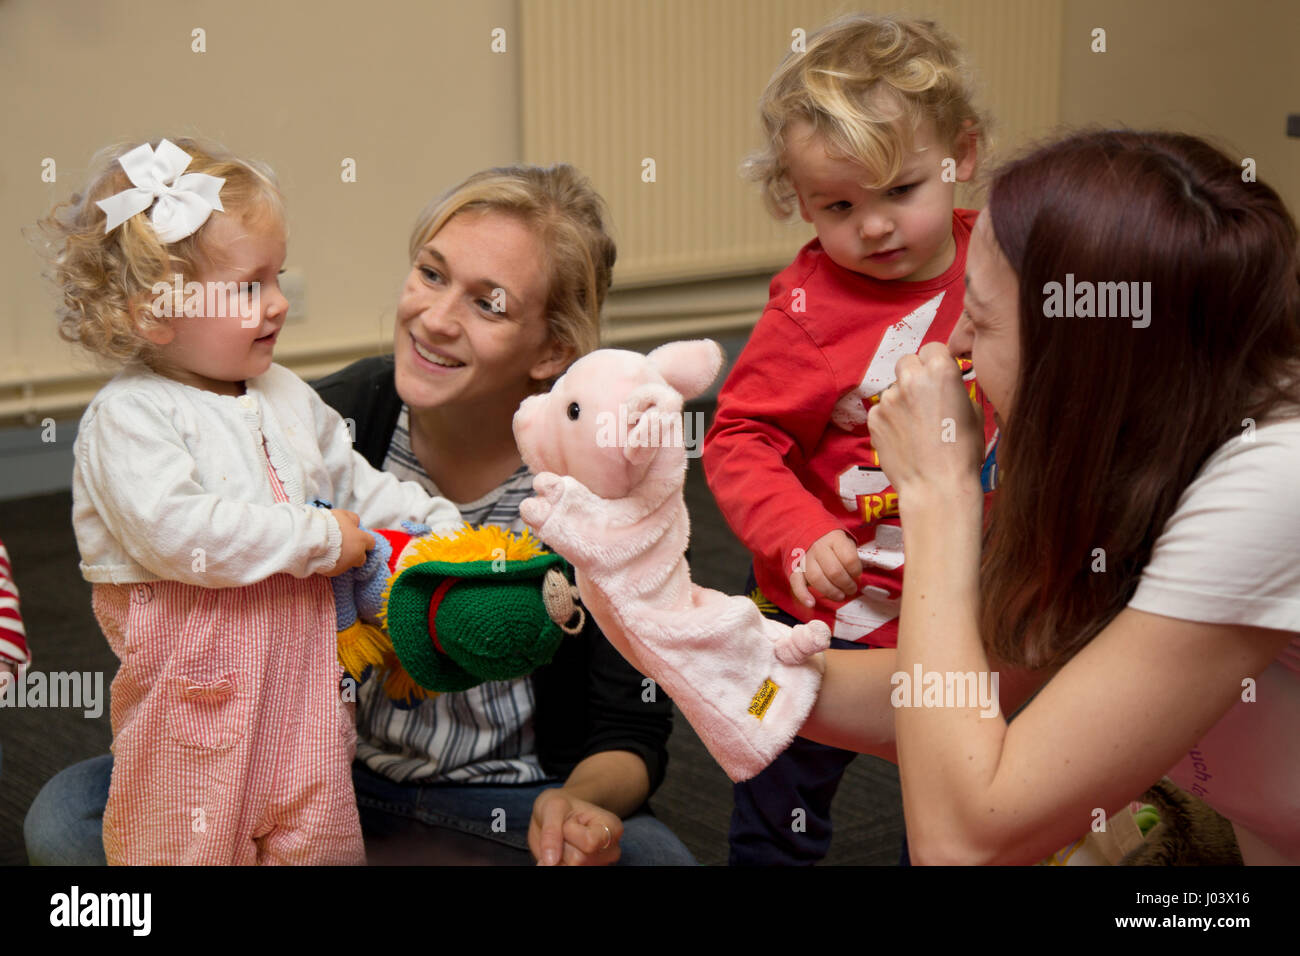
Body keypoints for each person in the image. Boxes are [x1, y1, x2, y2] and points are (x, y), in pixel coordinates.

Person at [25, 161, 696, 867]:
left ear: (554, 349)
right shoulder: (331, 410)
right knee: (68, 817)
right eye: (432, 274)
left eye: (488, 304)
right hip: (313, 763)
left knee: (659, 863)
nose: (436, 320)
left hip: (505, 802)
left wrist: (578, 805)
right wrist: (321, 539)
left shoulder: (605, 469)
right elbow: (188, 532)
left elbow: (631, 724)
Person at [794, 128, 1300, 865]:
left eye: (986, 319)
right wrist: (706, 652)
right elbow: (983, 684)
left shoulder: (1271, 481)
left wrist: (939, 496)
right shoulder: (1147, 444)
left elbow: (964, 843)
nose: (959, 342)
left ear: (1083, 359)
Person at [35, 136, 464, 865]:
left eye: (278, 276)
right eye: (247, 287)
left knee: (320, 849)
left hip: (308, 714)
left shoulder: (285, 395)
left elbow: (356, 485)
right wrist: (321, 539)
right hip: (195, 721)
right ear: (154, 311)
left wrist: (436, 528)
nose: (277, 303)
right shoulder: (130, 418)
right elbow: (177, 533)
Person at [702, 13, 994, 865]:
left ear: (961, 156)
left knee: (952, 798)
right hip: (819, 613)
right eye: (839, 205)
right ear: (800, 201)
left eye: (901, 191)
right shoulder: (805, 312)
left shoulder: (1004, 264)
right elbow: (740, 437)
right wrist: (797, 535)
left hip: (959, 608)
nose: (873, 228)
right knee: (777, 796)